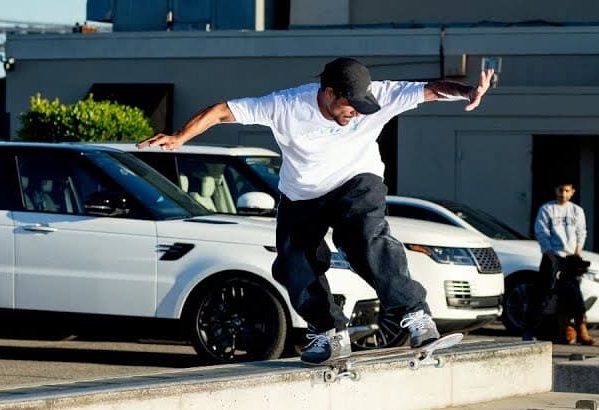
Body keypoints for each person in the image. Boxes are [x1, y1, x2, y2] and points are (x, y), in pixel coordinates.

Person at [138, 58, 495, 363]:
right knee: (294, 265)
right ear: (328, 93)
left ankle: (415, 316)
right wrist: (180, 137)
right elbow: (221, 111)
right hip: (303, 194)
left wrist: (467, 92)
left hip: (358, 180)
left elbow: (431, 89)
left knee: (364, 238)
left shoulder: (382, 95)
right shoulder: (285, 106)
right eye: (349, 106)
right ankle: (328, 332)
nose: (355, 113)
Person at [529, 182, 593, 345]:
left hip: (571, 258)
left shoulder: (577, 211)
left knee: (573, 294)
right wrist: (549, 253)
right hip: (553, 256)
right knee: (545, 292)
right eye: (560, 190)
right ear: (555, 190)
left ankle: (580, 327)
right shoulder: (547, 209)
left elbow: (581, 232)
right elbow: (541, 231)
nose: (563, 194)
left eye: (566, 191)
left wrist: (577, 253)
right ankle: (531, 329)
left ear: (572, 192)